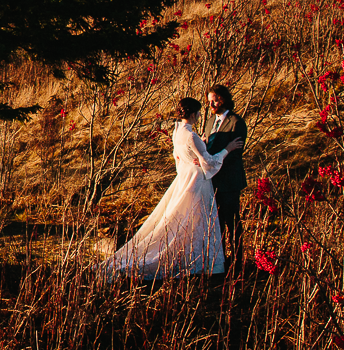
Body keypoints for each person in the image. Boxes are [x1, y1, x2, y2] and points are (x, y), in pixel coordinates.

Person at [97, 96, 241, 277]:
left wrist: (197, 150)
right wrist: (228, 148)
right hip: (197, 179)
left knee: (184, 218)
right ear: (194, 114)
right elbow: (210, 162)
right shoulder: (191, 135)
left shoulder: (177, 130)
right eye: (198, 113)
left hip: (184, 176)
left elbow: (179, 156)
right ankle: (202, 261)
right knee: (197, 220)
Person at [205, 85, 247, 258]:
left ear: (223, 99)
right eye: (209, 102)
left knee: (233, 222)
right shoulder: (209, 122)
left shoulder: (236, 122)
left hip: (229, 182)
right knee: (217, 224)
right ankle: (220, 261)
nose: (211, 105)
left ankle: (238, 260)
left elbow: (236, 153)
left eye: (214, 100)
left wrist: (215, 161)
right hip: (212, 181)